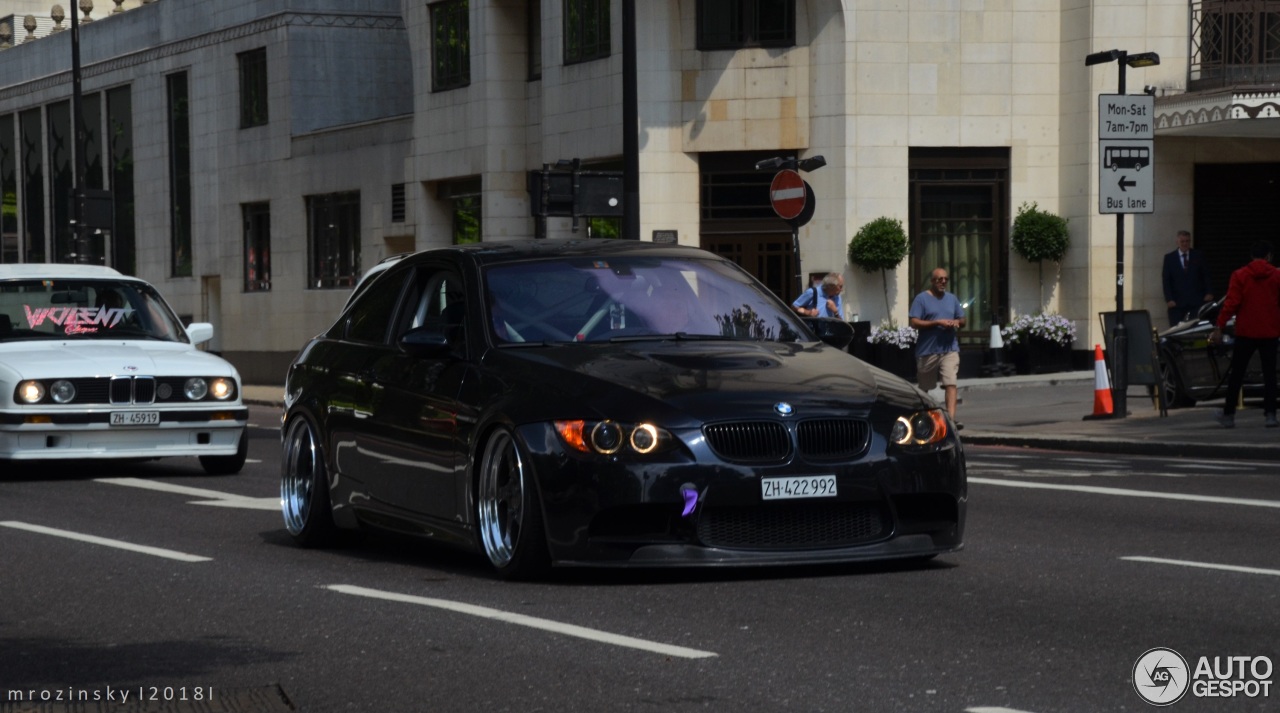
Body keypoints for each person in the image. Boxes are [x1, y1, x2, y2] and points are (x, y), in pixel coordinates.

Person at [1208, 240, 1280, 428]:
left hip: (1246, 331)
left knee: (1237, 373)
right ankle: (1271, 415)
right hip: (1270, 331)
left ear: (1251, 256)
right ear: (1268, 256)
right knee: (1270, 374)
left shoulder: (1240, 275)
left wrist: (1219, 326)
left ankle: (1229, 414)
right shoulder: (1276, 276)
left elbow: (1231, 303)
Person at [909, 268, 966, 423]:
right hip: (928, 350)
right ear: (932, 281)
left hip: (949, 348)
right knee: (925, 388)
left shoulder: (952, 299)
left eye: (945, 279)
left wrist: (956, 322)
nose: (943, 282)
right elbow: (914, 322)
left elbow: (962, 320)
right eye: (940, 279)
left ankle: (951, 420)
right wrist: (937, 322)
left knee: (951, 383)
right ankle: (924, 417)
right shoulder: (921, 299)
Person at [1162, 230, 1214, 327]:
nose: (1185, 244)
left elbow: (1206, 275)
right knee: (1176, 329)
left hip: (1196, 301)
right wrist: (1169, 299)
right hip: (1177, 303)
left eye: (1187, 241)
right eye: (1182, 241)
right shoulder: (1169, 258)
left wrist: (1209, 292)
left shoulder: (1198, 255)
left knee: (1196, 328)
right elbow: (1166, 280)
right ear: (1177, 242)